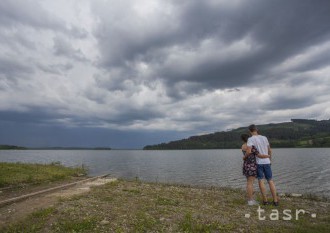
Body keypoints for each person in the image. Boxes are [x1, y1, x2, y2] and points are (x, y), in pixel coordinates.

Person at [246, 124, 279, 206]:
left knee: (261, 180)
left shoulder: (250, 139)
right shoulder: (264, 137)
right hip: (267, 161)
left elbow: (249, 151)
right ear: (257, 130)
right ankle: (275, 201)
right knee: (270, 181)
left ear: (250, 131)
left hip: (258, 163)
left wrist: (246, 157)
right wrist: (270, 160)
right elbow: (270, 150)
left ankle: (265, 200)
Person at [241, 134, 258, 205]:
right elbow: (257, 153)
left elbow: (245, 155)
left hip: (246, 165)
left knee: (249, 182)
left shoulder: (243, 146)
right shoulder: (251, 146)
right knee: (250, 183)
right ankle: (250, 201)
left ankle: (250, 199)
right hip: (252, 165)